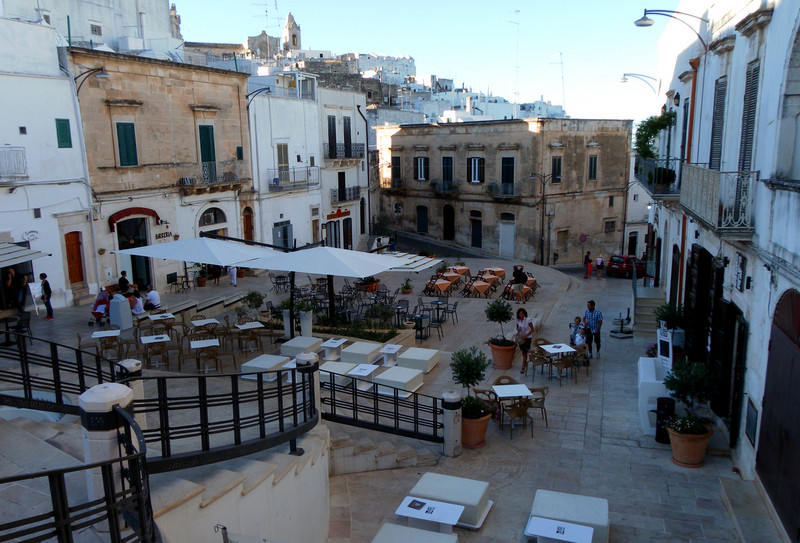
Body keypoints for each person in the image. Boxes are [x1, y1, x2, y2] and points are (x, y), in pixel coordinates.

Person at [516, 307, 535, 374]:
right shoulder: (518, 320)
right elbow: (517, 327)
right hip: (521, 338)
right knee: (523, 352)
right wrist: (518, 330)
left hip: (527, 338)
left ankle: (523, 367)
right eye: (520, 313)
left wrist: (526, 335)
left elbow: (532, 329)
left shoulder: (528, 320)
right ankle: (525, 362)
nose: (521, 315)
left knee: (525, 351)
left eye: (522, 313)